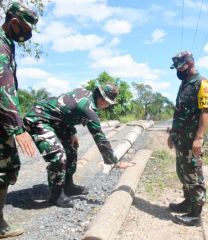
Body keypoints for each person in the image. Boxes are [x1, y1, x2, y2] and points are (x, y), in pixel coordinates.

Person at [23, 83, 133, 208]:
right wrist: (116, 163)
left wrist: (73, 134)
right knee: (58, 156)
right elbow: (100, 138)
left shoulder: (87, 95)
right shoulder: (88, 108)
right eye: (109, 103)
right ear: (103, 99)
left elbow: (67, 113)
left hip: (56, 121)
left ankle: (67, 185)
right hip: (39, 118)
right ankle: (56, 194)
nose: (107, 106)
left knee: (71, 148)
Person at [0, 2, 38, 238]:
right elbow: (2, 90)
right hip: (4, 122)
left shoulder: (7, 43)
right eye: (25, 27)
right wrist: (17, 128)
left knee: (8, 167)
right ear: (14, 22)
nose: (28, 33)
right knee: (5, 169)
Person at [168, 51, 208, 226]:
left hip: (192, 141)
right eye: (176, 67)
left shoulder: (202, 83)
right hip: (181, 139)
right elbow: (179, 112)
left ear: (190, 63)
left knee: (194, 175)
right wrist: (173, 133)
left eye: (180, 66)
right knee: (183, 172)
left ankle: (195, 214)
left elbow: (205, 112)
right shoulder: (185, 84)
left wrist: (199, 137)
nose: (178, 70)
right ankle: (188, 202)